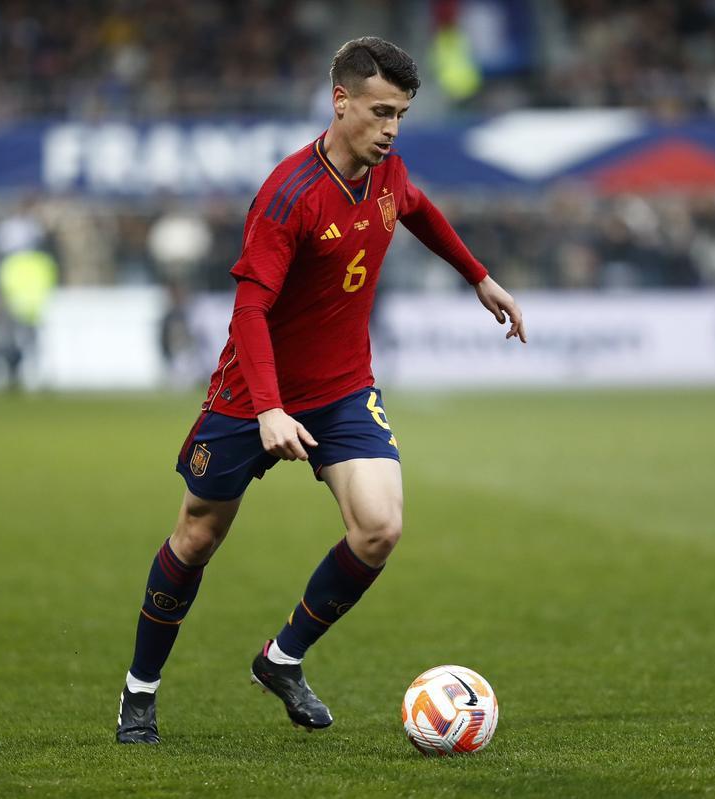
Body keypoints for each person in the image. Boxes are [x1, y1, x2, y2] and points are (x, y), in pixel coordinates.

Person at [115, 37, 526, 744]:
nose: (391, 129)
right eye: (380, 112)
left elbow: (417, 208)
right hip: (252, 394)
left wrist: (478, 276)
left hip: (342, 388)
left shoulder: (388, 169)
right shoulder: (289, 196)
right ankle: (139, 692)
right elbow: (248, 311)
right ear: (341, 102)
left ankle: (282, 658)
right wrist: (269, 408)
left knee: (380, 528)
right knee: (197, 536)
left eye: (400, 115)